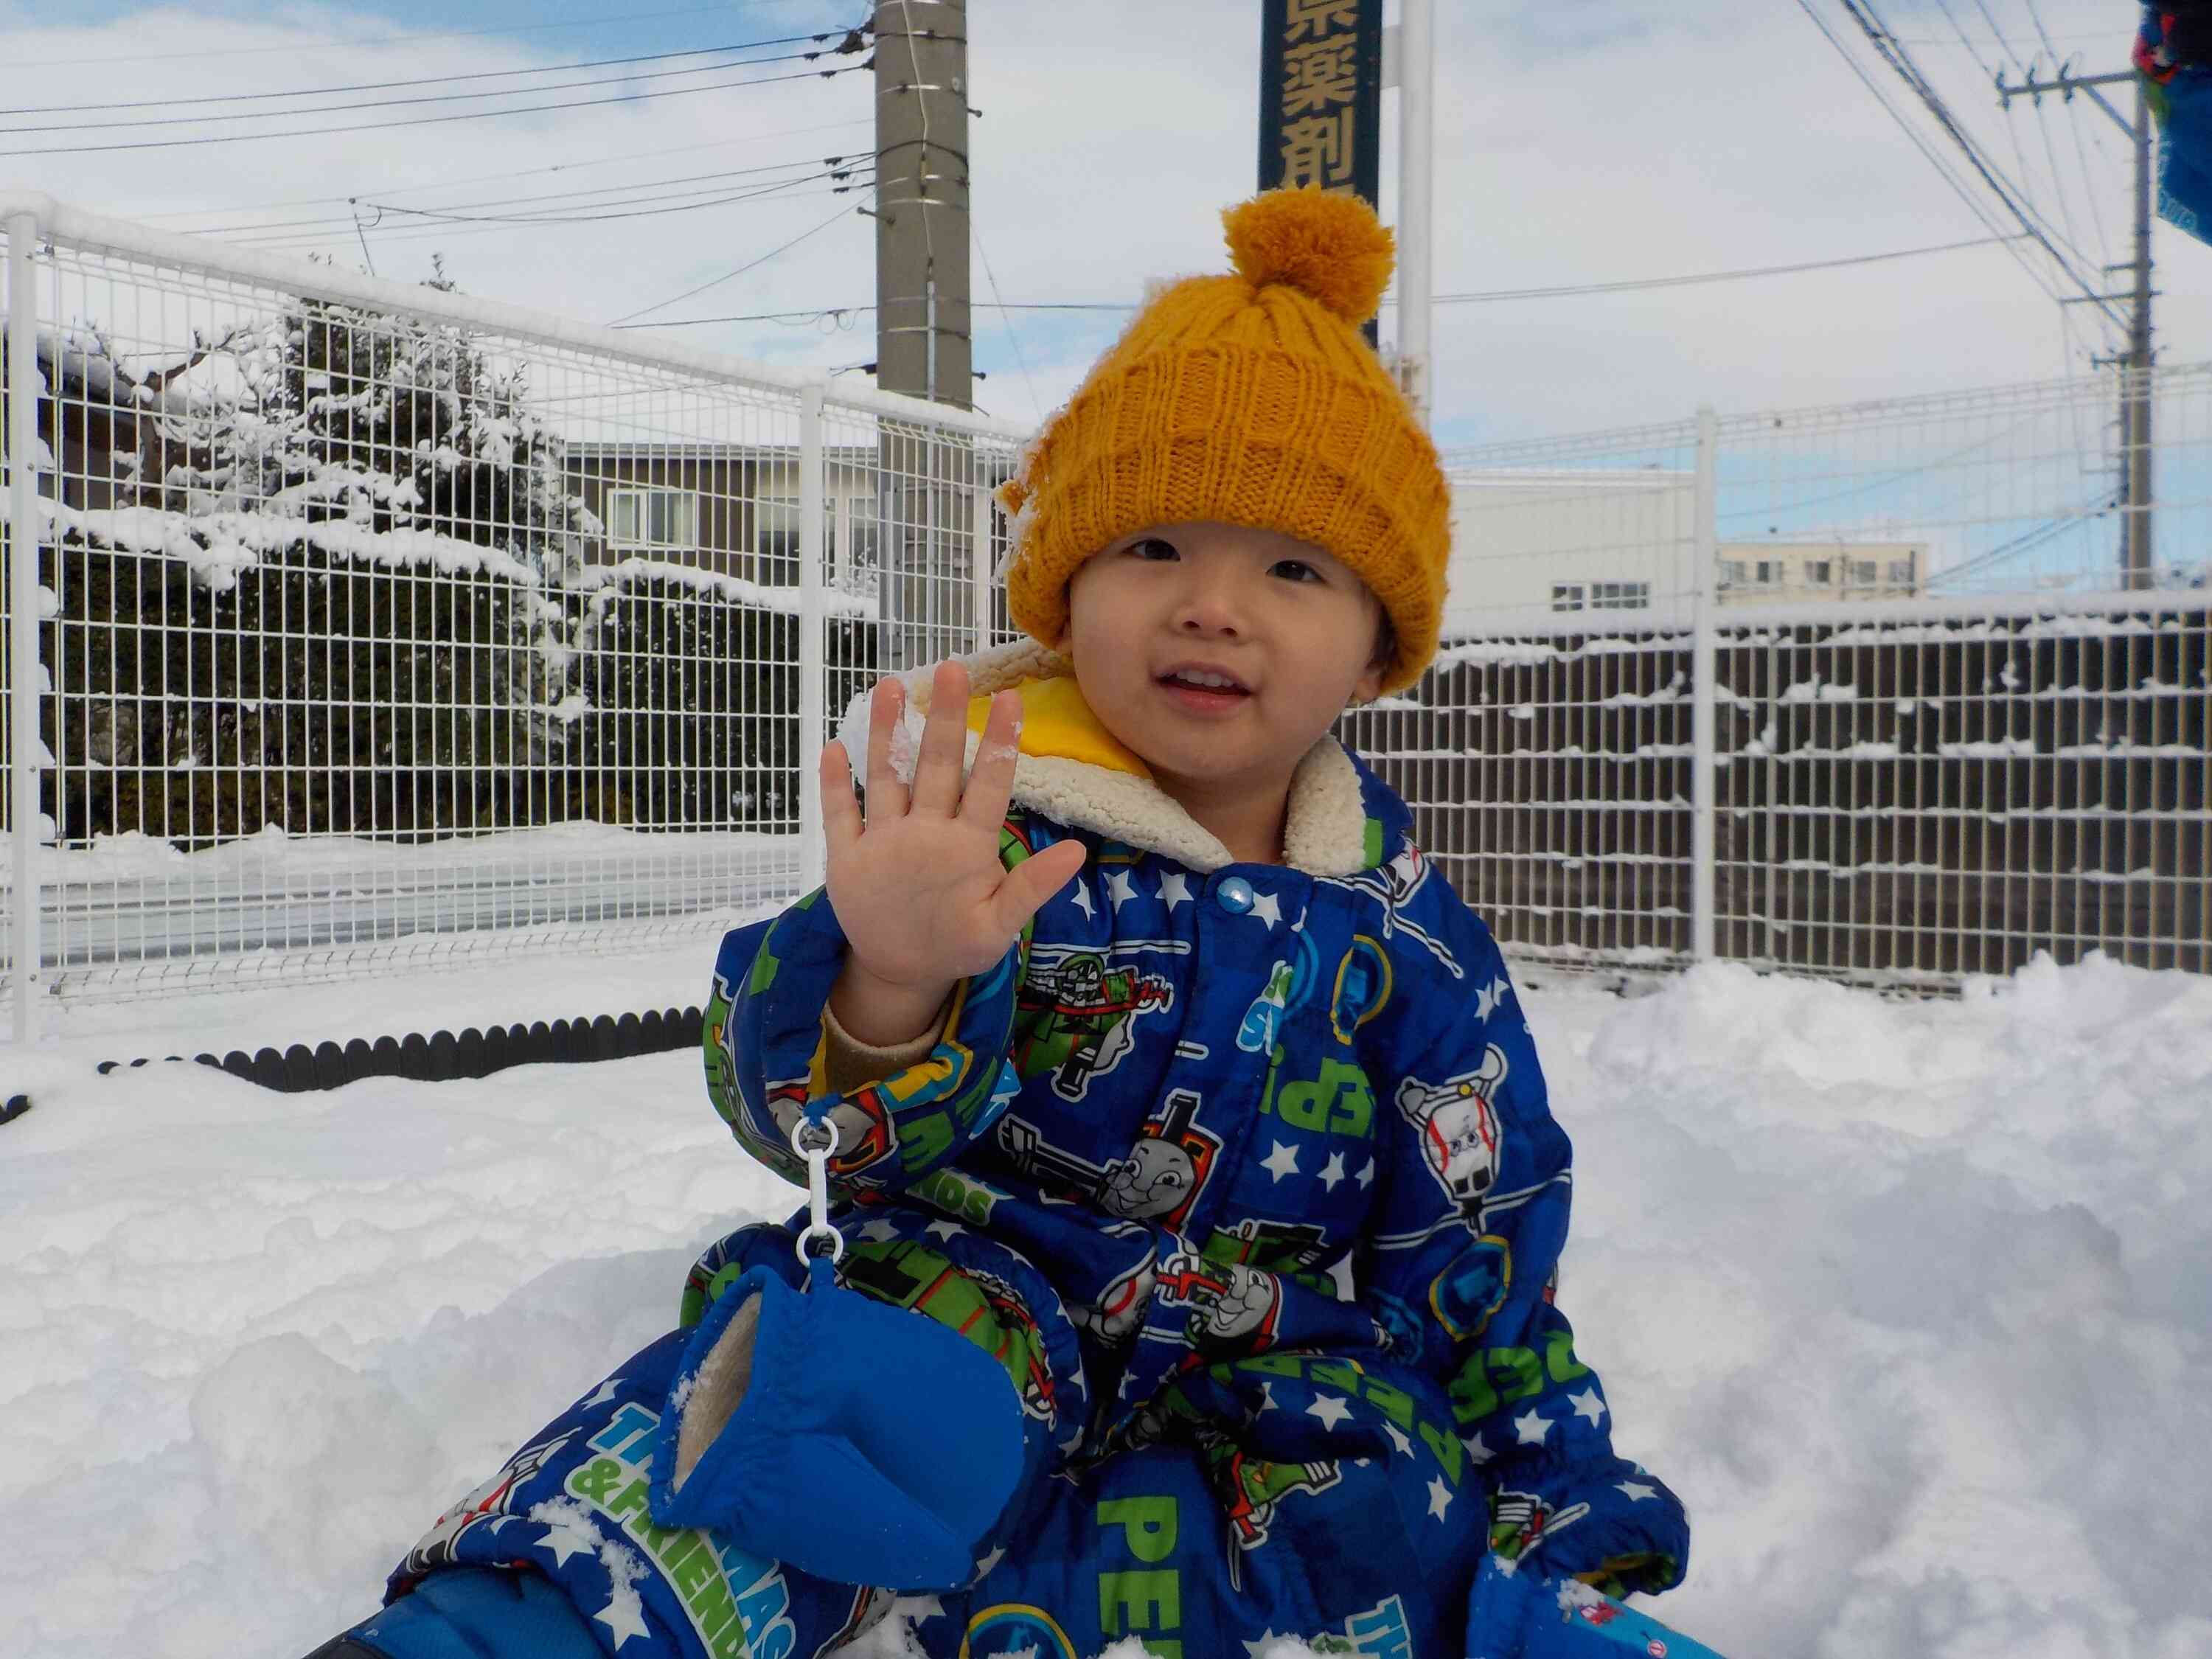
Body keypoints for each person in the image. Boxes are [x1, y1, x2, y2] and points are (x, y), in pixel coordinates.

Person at [307, 185, 1689, 1659]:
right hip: (967, 1311)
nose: (1212, 605)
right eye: (1154, 546)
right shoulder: (983, 822)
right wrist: (889, 973)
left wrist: (1555, 1495)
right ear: (1069, 583)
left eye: (1293, 567)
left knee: (1390, 1517)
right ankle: (510, 1634)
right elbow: (798, 1112)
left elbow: (1480, 1234)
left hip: (1255, 1371)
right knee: (787, 1416)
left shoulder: (1408, 935)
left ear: (1375, 650)